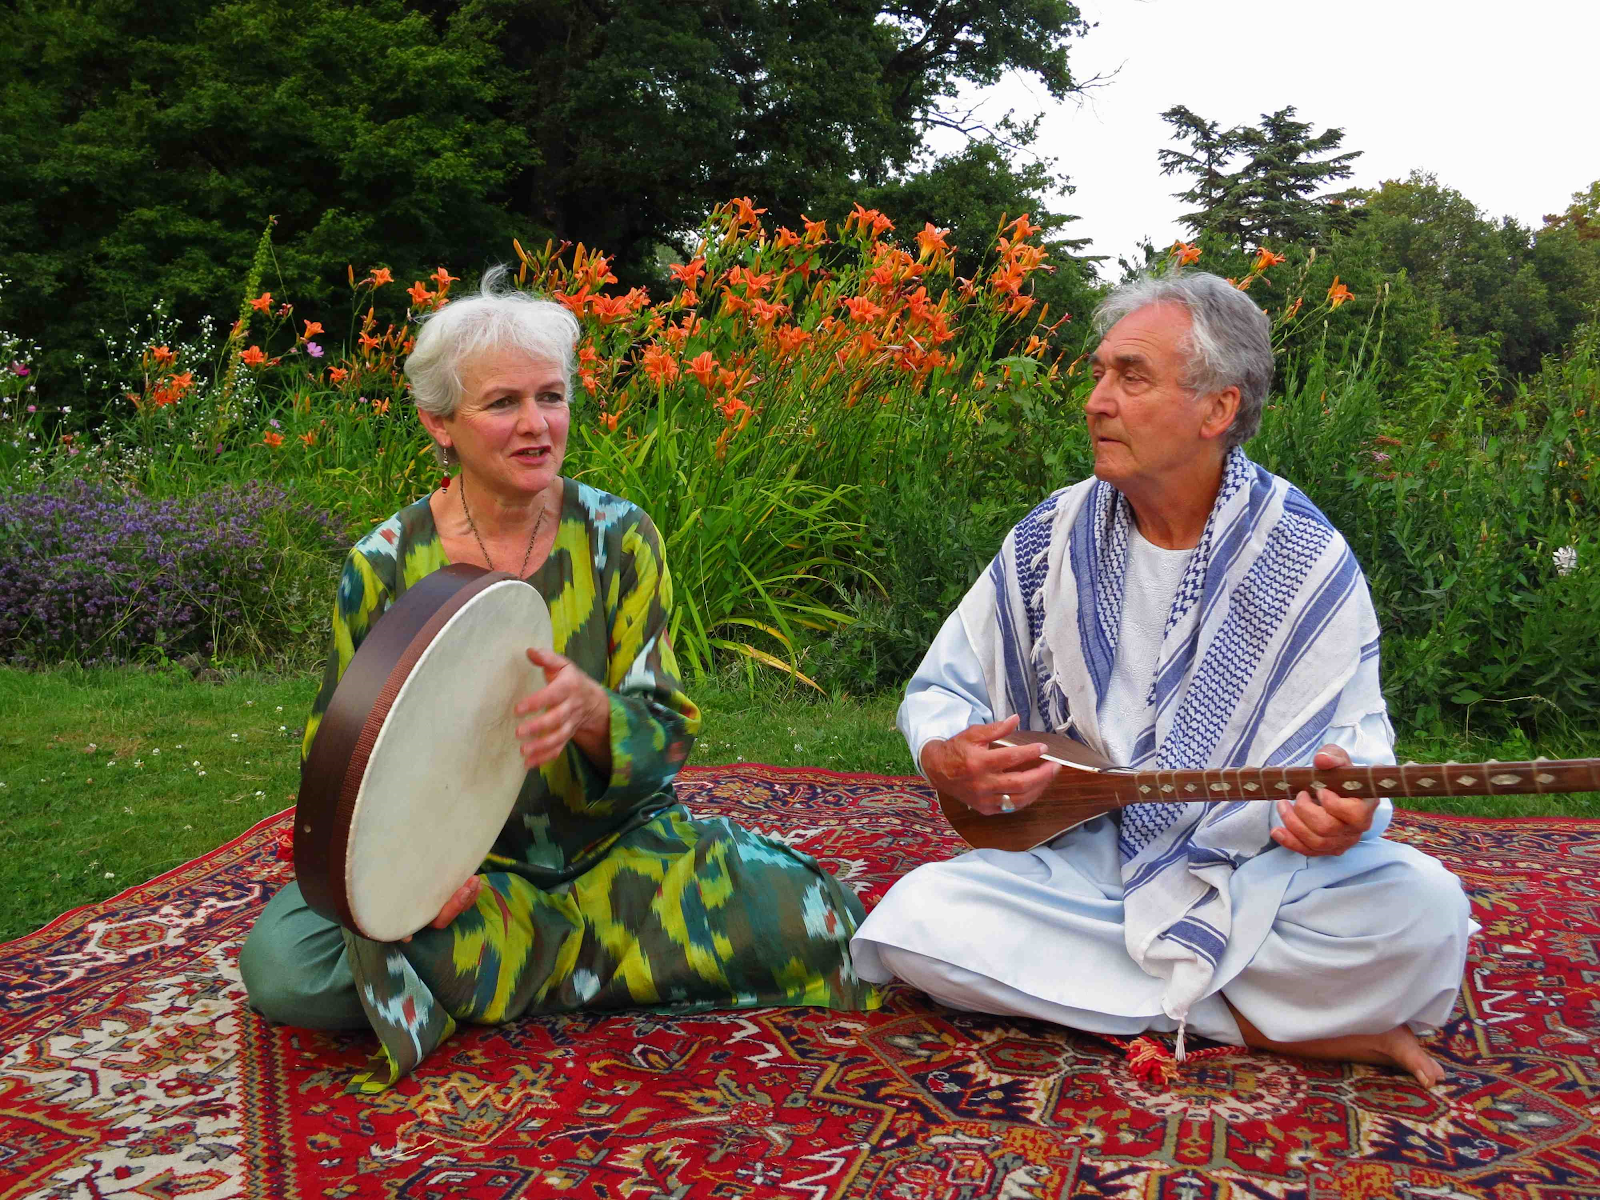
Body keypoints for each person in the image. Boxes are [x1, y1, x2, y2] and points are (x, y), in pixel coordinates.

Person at [240, 267, 874, 1091]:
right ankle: (593, 962)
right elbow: (337, 764)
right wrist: (405, 887)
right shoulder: (385, 566)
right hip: (475, 880)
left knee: (824, 920)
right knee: (287, 965)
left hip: (620, 852)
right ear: (440, 423)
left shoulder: (620, 536)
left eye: (552, 396)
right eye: (503, 403)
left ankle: (510, 973)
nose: (537, 425)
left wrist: (594, 713)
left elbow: (665, 738)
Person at [849, 272, 1471, 1089]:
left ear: (1218, 408)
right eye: (1100, 372)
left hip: (1253, 873)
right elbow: (940, 692)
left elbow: (1359, 741)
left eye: (1131, 376)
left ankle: (1141, 999)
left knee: (1424, 914)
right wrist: (944, 757)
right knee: (915, 924)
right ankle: (1268, 1022)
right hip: (1083, 860)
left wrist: (1351, 811)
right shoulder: (1053, 537)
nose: (1097, 400)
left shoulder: (1302, 557)